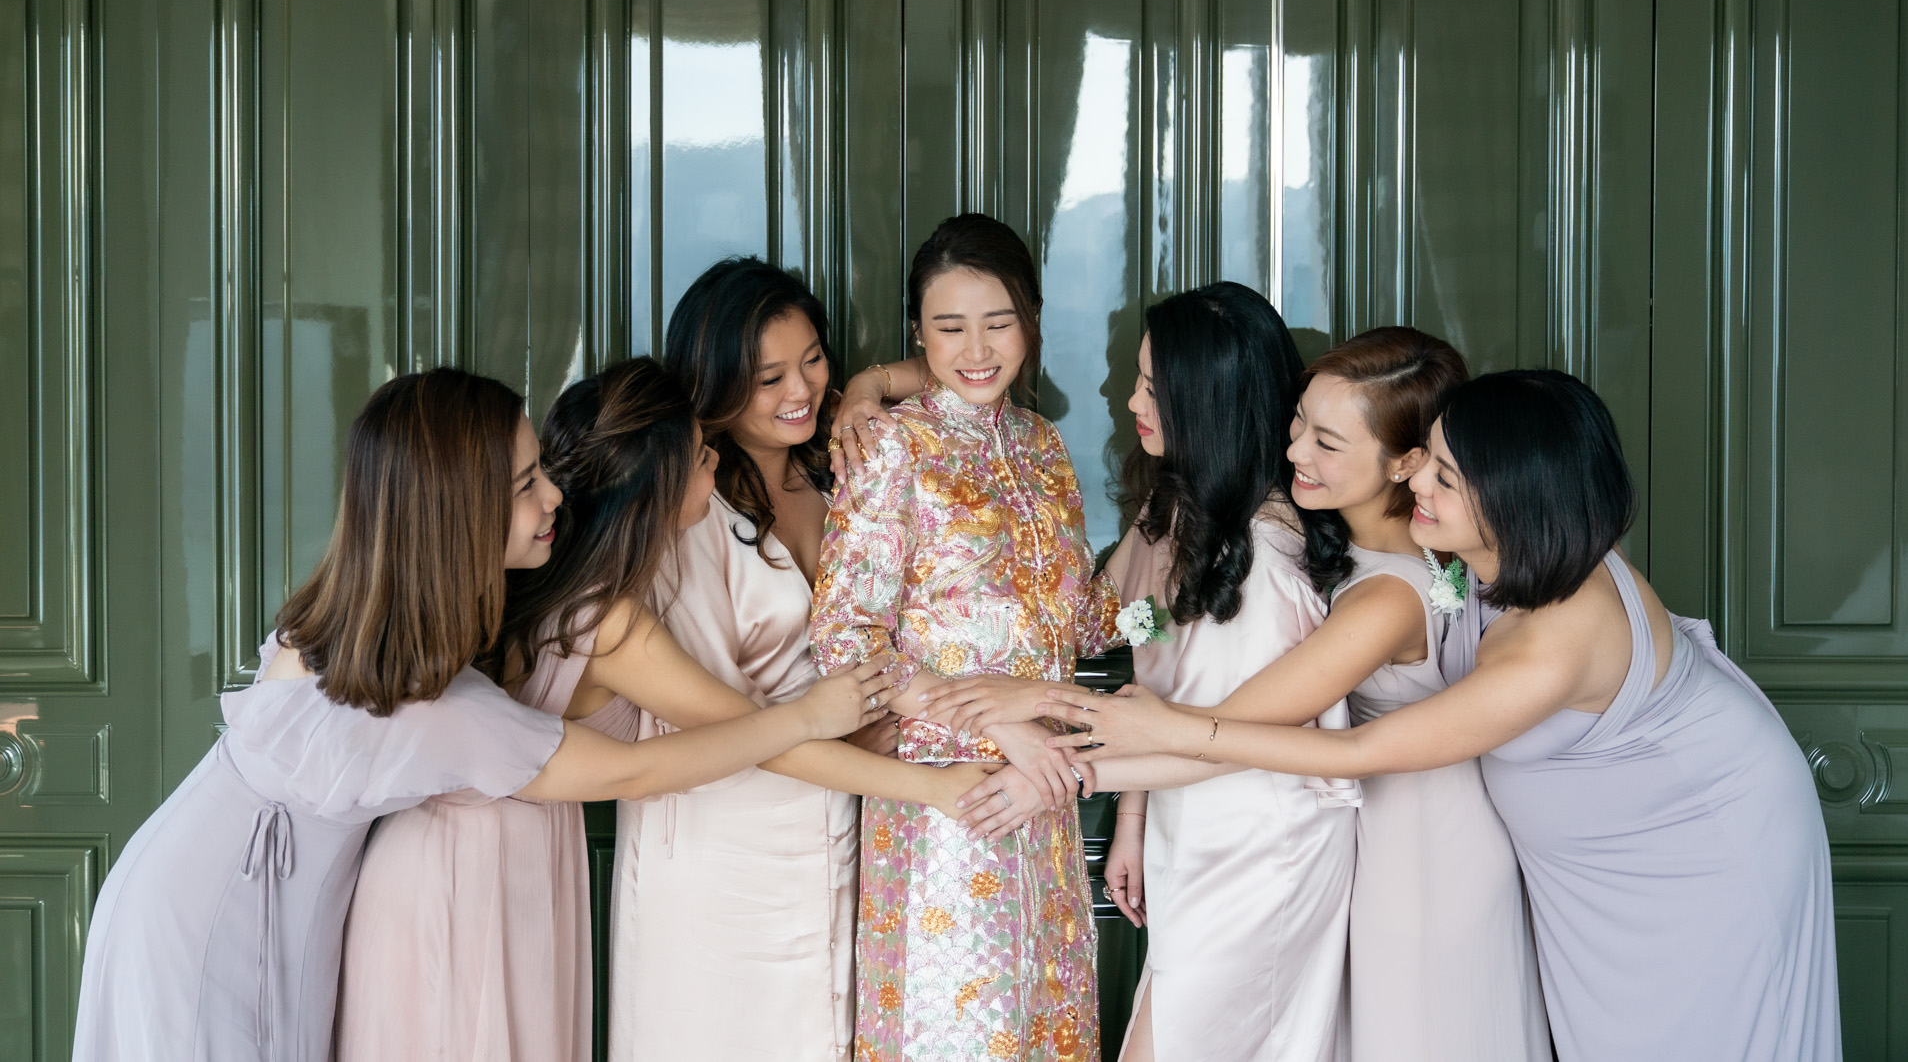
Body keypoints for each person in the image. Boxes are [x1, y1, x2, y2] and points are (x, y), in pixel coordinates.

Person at [71, 367, 895, 1062]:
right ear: (454, 512)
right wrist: (805, 716)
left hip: (194, 881)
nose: (554, 493)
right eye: (525, 484)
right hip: (213, 916)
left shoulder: (359, 616)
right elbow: (637, 770)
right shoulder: (438, 705)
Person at [1035, 369, 1843, 1062]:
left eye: (1446, 476)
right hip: (1590, 865)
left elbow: (1367, 749)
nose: (1416, 477)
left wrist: (1170, 729)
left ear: (1514, 498)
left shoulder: (1551, 646)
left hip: (1698, 845)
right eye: (1427, 454)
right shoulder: (1511, 550)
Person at [933, 283, 1361, 1062]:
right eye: (1137, 377)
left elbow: (1230, 740)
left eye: (1153, 387)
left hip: (1261, 844)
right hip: (1189, 820)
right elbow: (1116, 638)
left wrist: (1055, 778)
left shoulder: (1265, 564)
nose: (1128, 399)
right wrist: (1132, 812)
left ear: (1209, 403)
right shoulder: (1176, 510)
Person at [610, 263, 1009, 1062]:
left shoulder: (837, 468)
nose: (799, 389)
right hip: (720, 843)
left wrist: (864, 385)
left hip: (833, 822)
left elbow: (954, 370)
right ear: (717, 385)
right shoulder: (692, 514)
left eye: (814, 359)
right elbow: (722, 727)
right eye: (769, 378)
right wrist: (867, 752)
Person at [810, 213, 1124, 1062]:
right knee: (957, 1031)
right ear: (918, 333)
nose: (976, 350)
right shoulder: (893, 445)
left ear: (1032, 319)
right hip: (947, 802)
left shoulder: (1043, 446)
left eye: (999, 322)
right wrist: (994, 720)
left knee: (1045, 1029)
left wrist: (1172, 573)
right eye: (950, 327)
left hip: (1044, 797)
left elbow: (1079, 619)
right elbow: (845, 637)